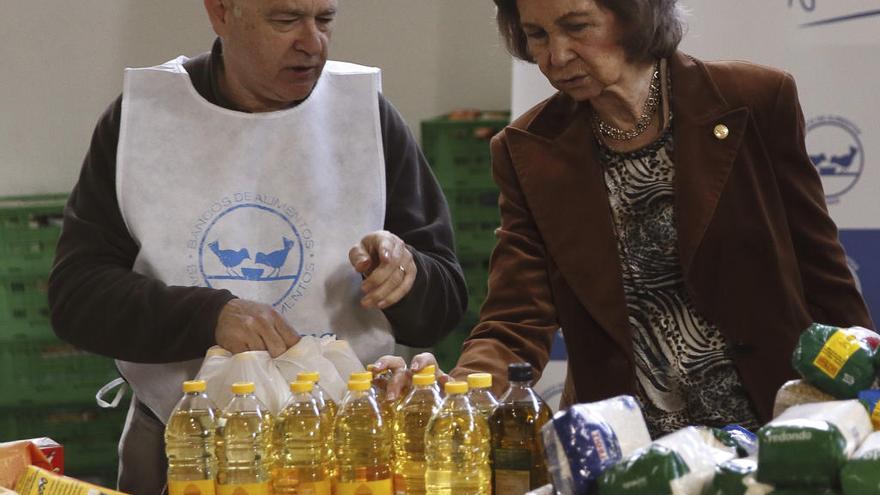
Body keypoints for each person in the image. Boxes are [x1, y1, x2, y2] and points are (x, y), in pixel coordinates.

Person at [377, 0, 873, 438]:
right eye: (537, 34)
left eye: (577, 26)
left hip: (777, 428)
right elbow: (515, 318)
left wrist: (859, 409)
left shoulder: (755, 101)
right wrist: (464, 389)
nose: (556, 55)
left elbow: (824, 275)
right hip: (627, 448)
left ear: (636, 13)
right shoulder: (528, 152)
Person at [47, 0, 466, 492]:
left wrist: (407, 277)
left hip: (345, 448)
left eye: (325, 19)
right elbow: (77, 298)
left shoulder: (365, 116)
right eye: (285, 20)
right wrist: (209, 317)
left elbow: (445, 304)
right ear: (221, 13)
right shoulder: (144, 118)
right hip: (183, 444)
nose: (312, 43)